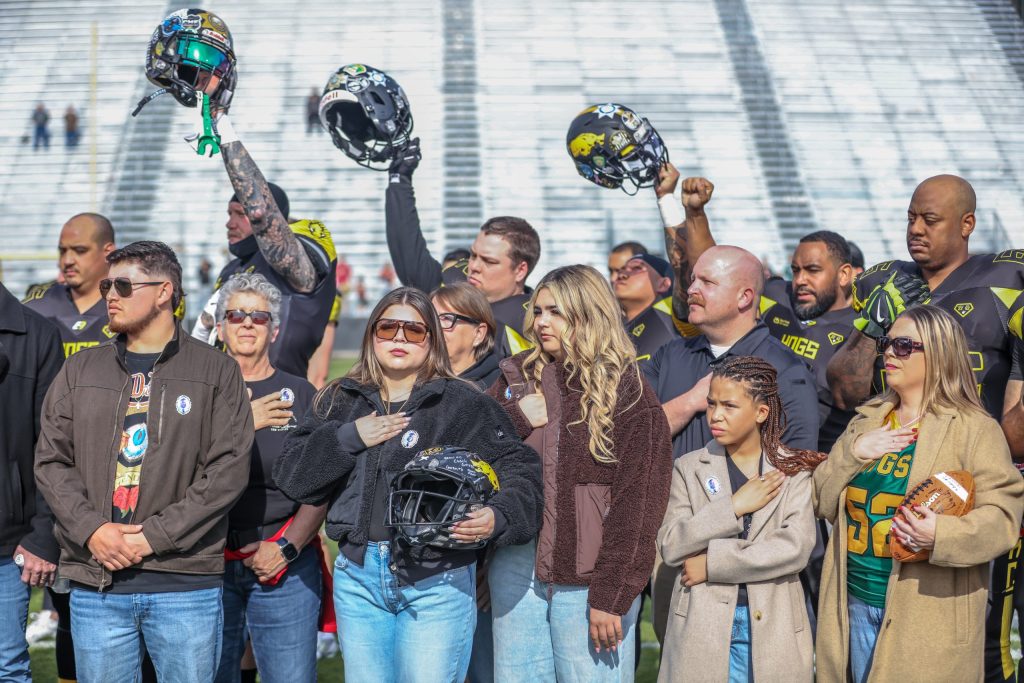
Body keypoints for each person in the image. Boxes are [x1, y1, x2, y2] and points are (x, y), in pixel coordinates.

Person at [273, 286, 543, 683]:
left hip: (438, 578)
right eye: (388, 328)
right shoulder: (339, 399)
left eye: (414, 331)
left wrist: (497, 517)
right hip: (358, 578)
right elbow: (292, 475)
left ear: (431, 340)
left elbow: (521, 470)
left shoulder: (462, 403)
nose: (399, 338)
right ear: (372, 335)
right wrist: (349, 437)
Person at [825, 174, 1024, 681]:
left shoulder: (1005, 283)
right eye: (910, 217)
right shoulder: (887, 279)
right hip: (886, 474)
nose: (915, 228)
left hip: (972, 482)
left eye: (929, 219)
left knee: (980, 642)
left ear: (967, 224)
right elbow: (846, 391)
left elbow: (1011, 433)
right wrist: (873, 326)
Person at [35, 241, 254, 682]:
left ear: (164, 292)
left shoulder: (217, 371)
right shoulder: (79, 370)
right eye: (105, 286)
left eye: (122, 285)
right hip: (97, 583)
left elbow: (227, 471)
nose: (109, 295)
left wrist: (152, 537)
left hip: (184, 584)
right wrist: (91, 530)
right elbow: (51, 460)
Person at [487, 265, 672, 683]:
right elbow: (474, 455)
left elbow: (639, 504)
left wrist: (612, 594)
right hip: (515, 569)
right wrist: (515, 416)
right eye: (538, 311)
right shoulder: (514, 378)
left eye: (557, 312)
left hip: (589, 579)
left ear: (589, 314)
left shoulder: (629, 390)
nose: (542, 322)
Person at [643, 245, 819, 643]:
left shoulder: (785, 368)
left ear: (745, 297)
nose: (692, 289)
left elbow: (795, 468)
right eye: (693, 280)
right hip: (674, 543)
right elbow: (635, 437)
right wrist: (690, 402)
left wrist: (731, 544)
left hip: (747, 559)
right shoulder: (671, 355)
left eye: (707, 281)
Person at [657, 356, 824, 682]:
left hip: (773, 629)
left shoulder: (794, 472)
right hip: (700, 628)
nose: (715, 415)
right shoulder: (688, 467)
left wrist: (712, 564)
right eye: (711, 404)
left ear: (761, 413)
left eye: (729, 406)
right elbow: (671, 543)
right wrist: (732, 507)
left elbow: (794, 548)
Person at [212, 273, 328, 683]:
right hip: (206, 562)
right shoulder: (197, 392)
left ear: (274, 329)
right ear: (219, 325)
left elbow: (321, 485)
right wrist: (244, 422)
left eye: (258, 317)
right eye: (236, 314)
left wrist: (287, 547)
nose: (247, 323)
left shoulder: (299, 394)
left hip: (283, 563)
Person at [191, 108, 338, 379]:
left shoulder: (297, 252)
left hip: (280, 404)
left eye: (239, 214)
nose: (230, 223)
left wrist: (222, 125)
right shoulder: (232, 269)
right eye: (229, 214)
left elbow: (261, 215)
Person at [386, 138, 541, 356]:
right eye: (474, 255)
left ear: (520, 270)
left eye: (489, 261)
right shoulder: (456, 279)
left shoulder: (533, 323)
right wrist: (399, 180)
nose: (474, 266)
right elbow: (410, 258)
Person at [0, 282, 63, 682]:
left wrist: (44, 535)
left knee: (7, 668)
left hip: (6, 547)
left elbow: (55, 448)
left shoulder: (37, 334)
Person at [23, 213, 117, 357]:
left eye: (80, 251)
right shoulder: (36, 306)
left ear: (108, 252)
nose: (67, 260)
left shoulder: (131, 303)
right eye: (63, 251)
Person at [431, 282, 500, 389]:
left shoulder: (498, 387)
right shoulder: (415, 378)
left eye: (447, 318)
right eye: (432, 318)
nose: (436, 327)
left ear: (479, 333)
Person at [614, 253, 679, 361]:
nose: (622, 275)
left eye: (636, 268)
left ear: (663, 284)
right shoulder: (608, 326)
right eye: (621, 270)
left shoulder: (671, 312)